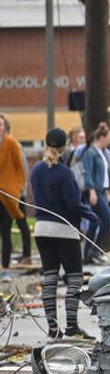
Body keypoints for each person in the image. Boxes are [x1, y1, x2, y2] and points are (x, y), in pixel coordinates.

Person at [30, 128, 98, 340]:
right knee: (74, 279)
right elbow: (73, 204)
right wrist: (92, 216)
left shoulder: (36, 170)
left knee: (49, 278)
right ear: (65, 147)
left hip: (41, 229)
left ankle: (52, 329)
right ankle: (71, 326)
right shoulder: (65, 173)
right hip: (64, 230)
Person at [79, 125, 110, 264]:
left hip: (101, 190)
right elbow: (88, 172)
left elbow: (104, 174)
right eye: (109, 138)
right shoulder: (91, 152)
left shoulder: (101, 152)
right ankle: (95, 249)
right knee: (109, 219)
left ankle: (88, 254)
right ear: (102, 138)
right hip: (94, 191)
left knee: (95, 221)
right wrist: (92, 190)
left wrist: (107, 190)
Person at [0, 114, 30, 280]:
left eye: (1, 125)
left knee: (14, 225)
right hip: (1, 192)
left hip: (11, 193)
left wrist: (21, 190)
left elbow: (22, 168)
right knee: (3, 230)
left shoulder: (12, 144)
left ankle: (6, 266)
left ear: (5, 127)